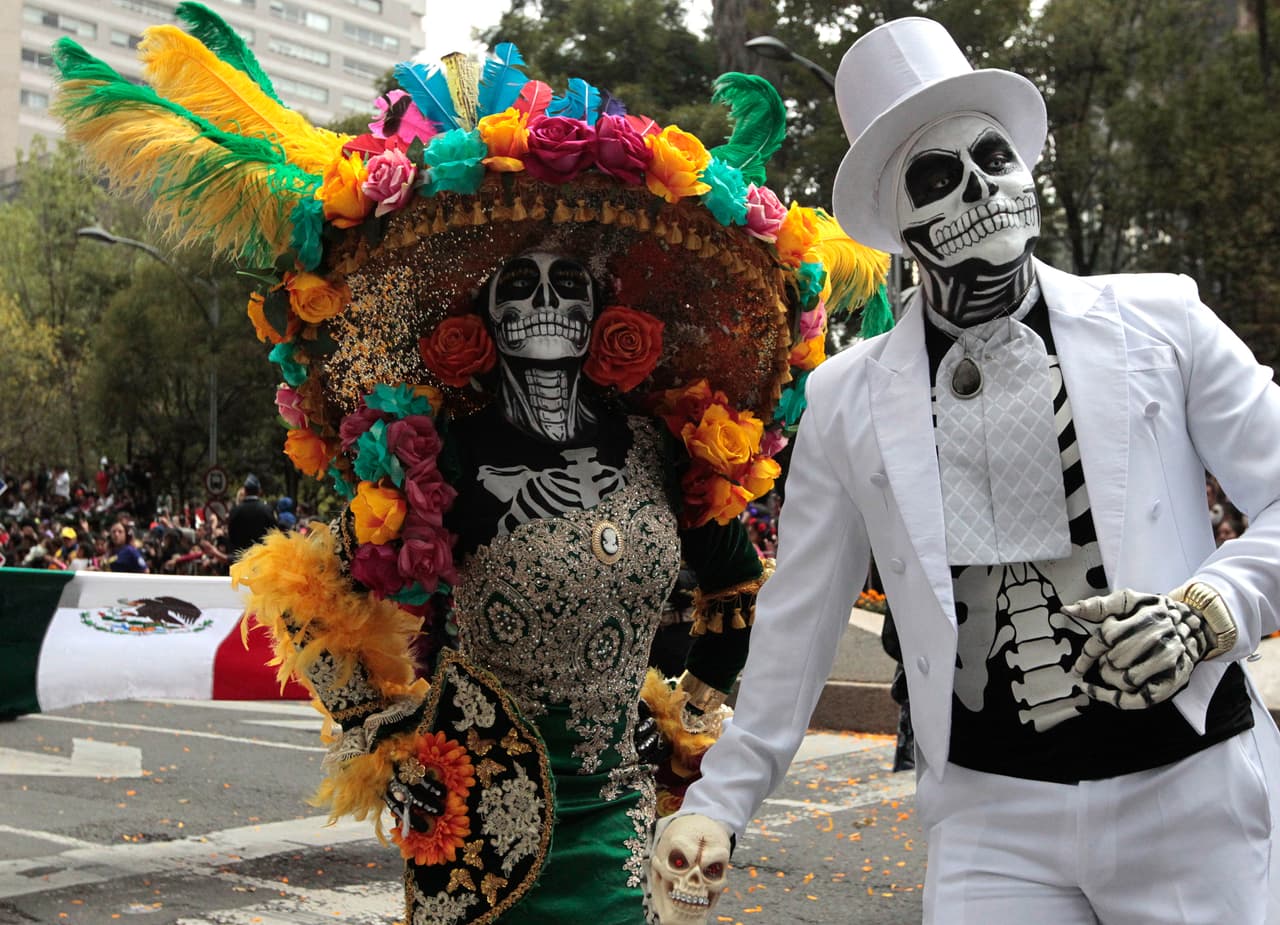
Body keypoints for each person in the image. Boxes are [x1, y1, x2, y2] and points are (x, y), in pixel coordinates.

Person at [50, 12, 889, 923]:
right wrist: (390, 734)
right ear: (482, 318)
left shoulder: (655, 447)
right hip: (478, 825)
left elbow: (736, 592)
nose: (544, 303)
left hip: (620, 811)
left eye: (567, 285)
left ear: (601, 312)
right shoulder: (443, 451)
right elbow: (303, 591)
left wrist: (688, 708)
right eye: (517, 288)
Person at [655, 17, 1280, 925]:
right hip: (994, 815)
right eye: (938, 177)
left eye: (995, 158)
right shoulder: (847, 398)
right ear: (902, 222)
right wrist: (721, 799)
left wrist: (1209, 608)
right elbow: (801, 616)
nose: (981, 189)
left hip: (1183, 787)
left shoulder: (1161, 322)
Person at [226, 474, 275, 559]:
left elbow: (231, 536)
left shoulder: (235, 511)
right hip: (261, 560)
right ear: (259, 491)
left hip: (241, 560)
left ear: (245, 491)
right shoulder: (267, 509)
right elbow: (273, 534)